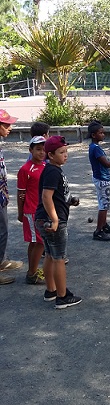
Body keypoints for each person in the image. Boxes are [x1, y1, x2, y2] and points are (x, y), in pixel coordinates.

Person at [35, 136, 82, 309]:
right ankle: (62, 297)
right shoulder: (52, 171)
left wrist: (70, 201)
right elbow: (46, 197)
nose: (65, 155)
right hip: (53, 221)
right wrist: (55, 219)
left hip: (44, 219)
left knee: (50, 255)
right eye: (61, 152)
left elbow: (56, 196)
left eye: (66, 151)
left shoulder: (53, 169)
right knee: (59, 258)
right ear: (51, 154)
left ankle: (51, 291)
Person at [17, 136, 47, 284]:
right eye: (38, 149)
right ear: (31, 150)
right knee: (40, 242)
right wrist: (20, 212)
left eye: (44, 150)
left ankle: (32, 269)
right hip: (31, 211)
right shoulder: (25, 169)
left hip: (42, 209)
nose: (42, 153)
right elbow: (20, 192)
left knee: (34, 242)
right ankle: (31, 274)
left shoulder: (45, 166)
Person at [0, 109, 23, 284]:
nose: (10, 128)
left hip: (2, 194)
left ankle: (2, 260)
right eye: (6, 125)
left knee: (4, 229)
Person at [87, 120, 110, 242]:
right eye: (101, 133)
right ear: (94, 135)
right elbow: (105, 163)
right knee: (104, 205)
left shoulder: (94, 147)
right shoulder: (95, 149)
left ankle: (104, 225)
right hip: (102, 179)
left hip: (101, 178)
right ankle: (98, 231)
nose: (103, 135)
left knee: (105, 203)